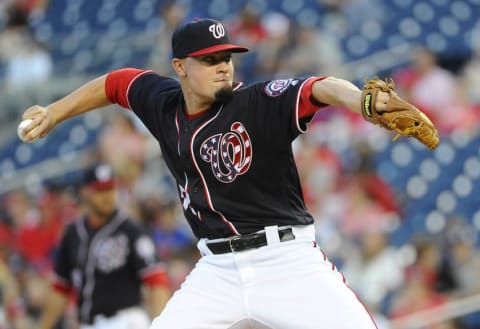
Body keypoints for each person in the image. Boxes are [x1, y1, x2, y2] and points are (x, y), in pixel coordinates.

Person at [20, 18, 421, 329]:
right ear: (179, 66)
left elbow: (320, 87)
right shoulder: (161, 102)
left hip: (286, 260)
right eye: (209, 59)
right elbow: (114, 83)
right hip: (217, 271)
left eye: (226, 57)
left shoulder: (255, 103)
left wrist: (360, 101)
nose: (222, 67)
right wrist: (54, 112)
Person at [37, 163, 170, 329]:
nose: (107, 196)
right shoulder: (73, 234)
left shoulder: (131, 230)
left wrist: (161, 323)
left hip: (126, 321)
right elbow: (60, 288)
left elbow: (157, 281)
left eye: (110, 189)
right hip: (89, 324)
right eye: (100, 190)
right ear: (85, 192)